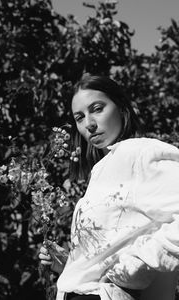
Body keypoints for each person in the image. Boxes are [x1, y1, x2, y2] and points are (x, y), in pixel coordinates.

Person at [39, 73, 179, 300]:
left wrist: (132, 269)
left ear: (121, 106)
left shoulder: (139, 153)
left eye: (97, 108)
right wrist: (72, 264)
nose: (89, 124)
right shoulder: (102, 170)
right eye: (79, 117)